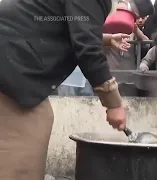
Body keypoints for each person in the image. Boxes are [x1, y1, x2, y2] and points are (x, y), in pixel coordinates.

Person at [0, 0, 131, 179]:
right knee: (28, 135)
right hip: (9, 64)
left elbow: (65, 24)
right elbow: (87, 49)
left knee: (39, 120)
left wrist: (106, 39)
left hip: (10, 62)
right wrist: (114, 104)